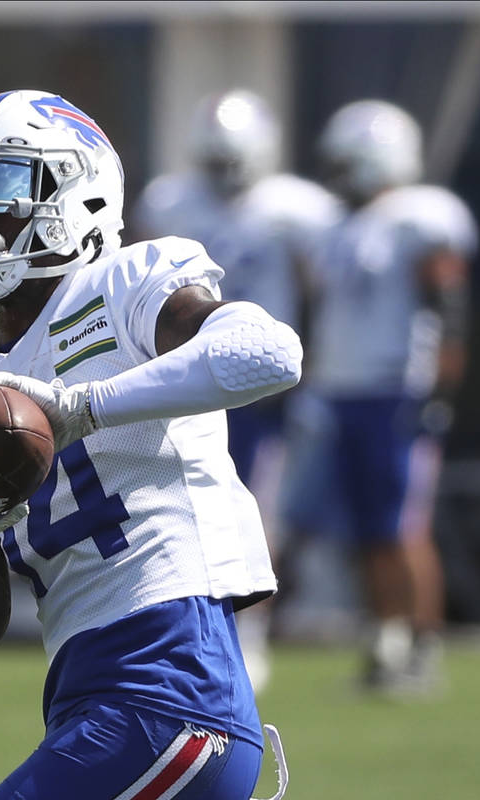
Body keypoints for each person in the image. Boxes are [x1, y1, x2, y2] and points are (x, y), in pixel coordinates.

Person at [0, 89, 296, 799]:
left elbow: (269, 353)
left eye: (0, 186)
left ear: (80, 193)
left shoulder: (128, 285)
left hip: (170, 683)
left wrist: (85, 407)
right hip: (82, 697)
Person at [132, 89, 340, 693]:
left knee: (256, 509)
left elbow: (321, 290)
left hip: (258, 388)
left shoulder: (296, 208)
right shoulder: (172, 200)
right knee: (175, 507)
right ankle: (184, 632)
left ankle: (248, 633)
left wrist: (310, 363)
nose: (226, 175)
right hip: (182, 382)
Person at [295, 99, 477, 693]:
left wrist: (442, 388)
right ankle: (386, 641)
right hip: (343, 392)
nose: (340, 174)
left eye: (349, 162)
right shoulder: (339, 225)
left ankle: (422, 645)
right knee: (366, 529)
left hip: (396, 391)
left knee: (403, 526)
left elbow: (449, 309)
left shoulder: (419, 216)